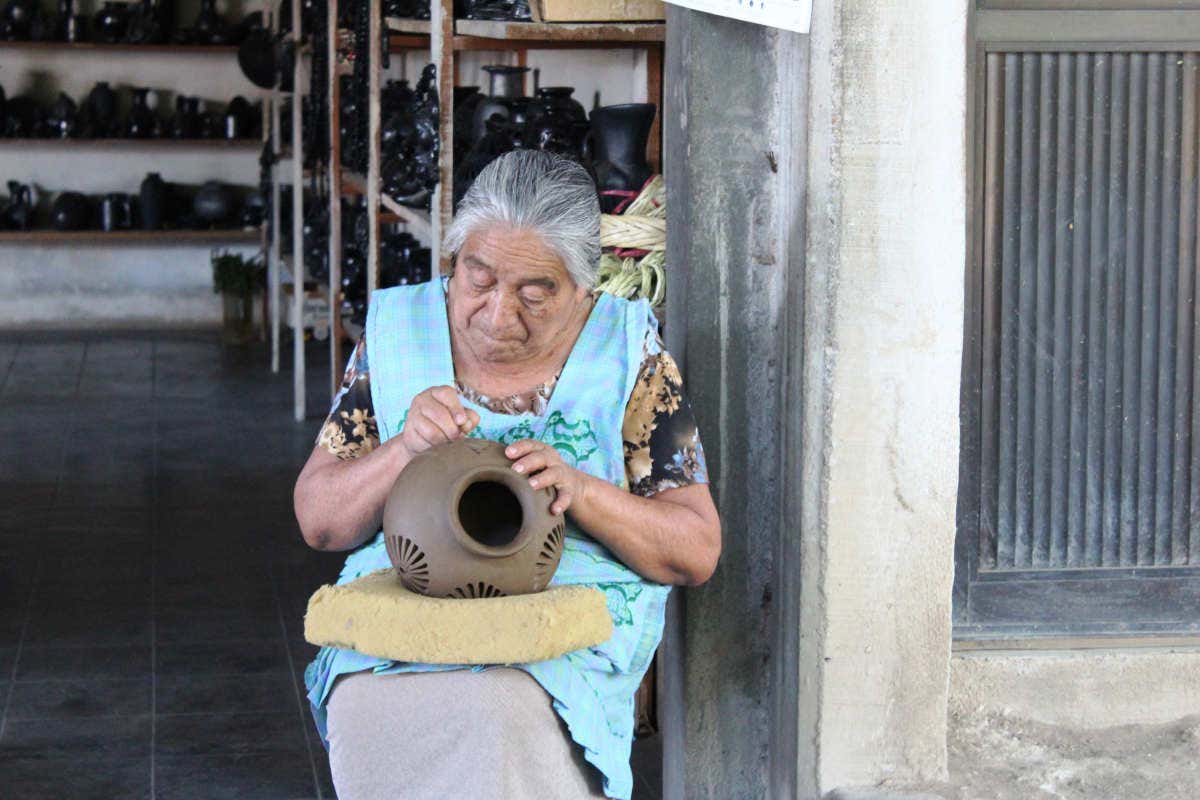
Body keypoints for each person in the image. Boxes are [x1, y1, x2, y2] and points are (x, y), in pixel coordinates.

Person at [294, 150, 721, 799]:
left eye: (534, 294)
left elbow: (694, 549)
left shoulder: (627, 354)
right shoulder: (398, 332)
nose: (497, 316)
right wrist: (405, 448)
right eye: (479, 279)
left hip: (562, 621)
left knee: (501, 706)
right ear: (454, 257)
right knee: (368, 702)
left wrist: (579, 490)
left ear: (585, 287)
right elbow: (320, 522)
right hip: (413, 603)